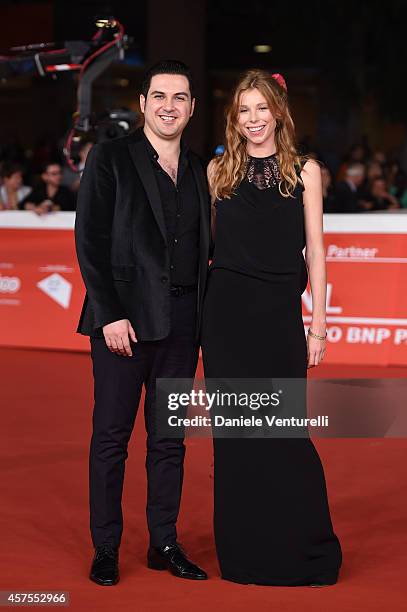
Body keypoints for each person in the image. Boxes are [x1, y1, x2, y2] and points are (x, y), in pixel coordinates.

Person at [201, 69, 342, 586]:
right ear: (233, 118)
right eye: (244, 110)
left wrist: (319, 328)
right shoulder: (218, 172)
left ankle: (301, 548)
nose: (254, 119)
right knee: (236, 438)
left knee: (284, 435)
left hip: (278, 318)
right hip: (225, 320)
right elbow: (206, 250)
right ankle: (244, 555)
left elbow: (318, 252)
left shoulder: (306, 171)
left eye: (262, 109)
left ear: (279, 112)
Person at [75, 59, 211, 586]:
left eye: (179, 97)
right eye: (159, 96)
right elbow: (90, 242)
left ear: (192, 108)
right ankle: (105, 545)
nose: (168, 106)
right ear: (143, 104)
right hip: (122, 327)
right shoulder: (110, 156)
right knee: (111, 438)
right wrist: (110, 314)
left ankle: (164, 542)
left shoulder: (200, 169)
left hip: (182, 325)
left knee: (169, 442)